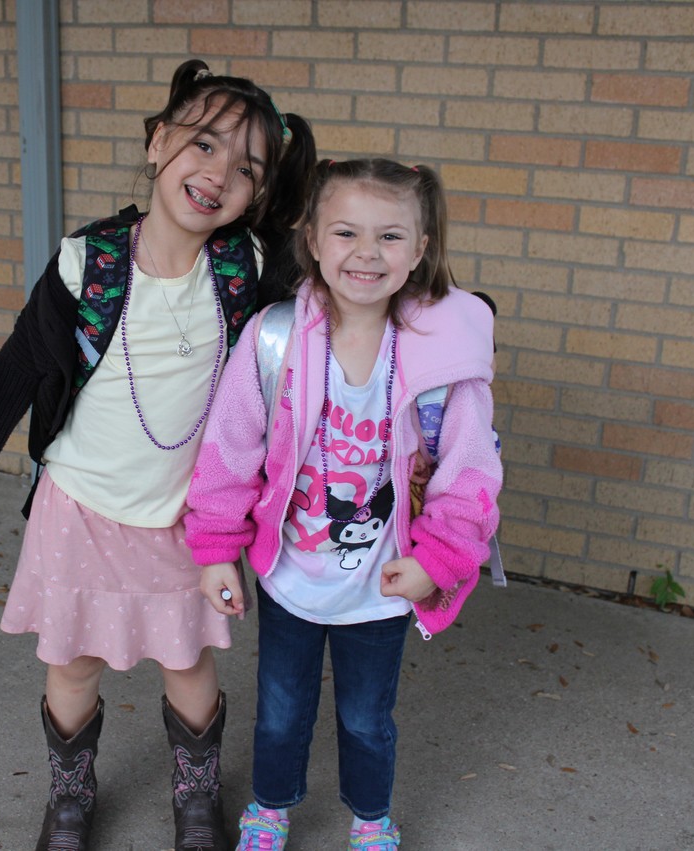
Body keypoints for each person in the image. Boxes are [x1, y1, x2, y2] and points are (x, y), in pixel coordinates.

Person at [0, 59, 315, 851]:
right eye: (203, 145)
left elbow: (349, 279)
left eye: (244, 168)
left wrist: (447, 307)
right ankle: (70, 797)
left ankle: (196, 796)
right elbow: (1, 391)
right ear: (155, 144)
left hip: (189, 521)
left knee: (189, 666)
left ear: (259, 195)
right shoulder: (90, 263)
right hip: (79, 509)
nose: (216, 174)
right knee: (72, 663)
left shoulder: (246, 267)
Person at [184, 159, 502, 850]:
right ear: (315, 242)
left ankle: (371, 817)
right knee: (280, 711)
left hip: (382, 585)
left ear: (420, 250)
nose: (366, 252)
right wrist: (216, 549)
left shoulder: (445, 360)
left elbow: (472, 472)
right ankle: (270, 808)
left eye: (390, 236)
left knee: (366, 717)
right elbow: (231, 446)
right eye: (347, 232)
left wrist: (439, 559)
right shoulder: (274, 339)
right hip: (291, 576)